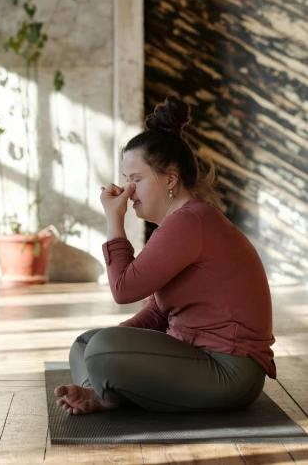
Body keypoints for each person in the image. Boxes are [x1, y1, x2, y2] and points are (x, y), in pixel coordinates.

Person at [54, 96, 275, 415]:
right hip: (192, 358)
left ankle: (107, 389)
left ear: (170, 180)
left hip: (230, 372)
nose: (128, 191)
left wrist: (114, 221)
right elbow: (157, 314)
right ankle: (102, 388)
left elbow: (123, 290)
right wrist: (114, 345)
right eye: (127, 180)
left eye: (136, 179)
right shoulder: (179, 224)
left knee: (101, 349)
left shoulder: (190, 222)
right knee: (87, 345)